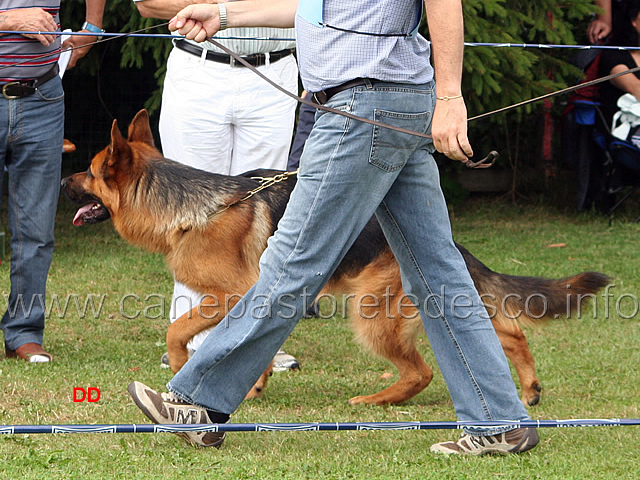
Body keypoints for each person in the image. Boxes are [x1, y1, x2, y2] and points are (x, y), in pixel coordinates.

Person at [127, 0, 539, 455]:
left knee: (291, 260)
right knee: (436, 270)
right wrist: (224, 16)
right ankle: (499, 422)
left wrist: (450, 96)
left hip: (364, 107)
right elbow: (313, 7)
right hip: (380, 103)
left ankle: (198, 403)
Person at [133, 0, 299, 370]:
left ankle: (259, 339)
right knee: (188, 215)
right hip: (199, 68)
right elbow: (148, 4)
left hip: (274, 71)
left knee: (265, 215)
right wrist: (219, 9)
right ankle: (188, 336)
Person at [0, 0, 105, 363]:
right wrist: (10, 19)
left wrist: (92, 27)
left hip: (43, 97)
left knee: (36, 229)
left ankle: (24, 333)